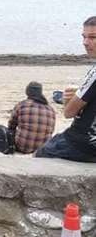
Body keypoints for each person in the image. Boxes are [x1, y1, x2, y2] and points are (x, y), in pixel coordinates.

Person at [36, 17, 96, 162]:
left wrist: (68, 100)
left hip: (83, 144)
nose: (85, 43)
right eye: (84, 37)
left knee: (41, 154)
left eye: (93, 37)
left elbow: (69, 112)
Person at [6, 81, 56, 154]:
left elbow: (11, 126)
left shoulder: (22, 105)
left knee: (0, 129)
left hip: (22, 147)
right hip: (42, 148)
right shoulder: (50, 109)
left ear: (27, 92)